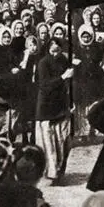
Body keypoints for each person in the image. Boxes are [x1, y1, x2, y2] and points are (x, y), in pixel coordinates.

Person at [35, 37, 72, 182]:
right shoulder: (43, 63)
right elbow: (44, 85)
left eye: (58, 49)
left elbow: (70, 82)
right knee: (49, 142)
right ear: (48, 49)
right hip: (46, 106)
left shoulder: (64, 60)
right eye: (53, 50)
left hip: (61, 106)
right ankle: (51, 173)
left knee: (63, 140)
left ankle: (60, 169)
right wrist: (63, 77)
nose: (55, 52)